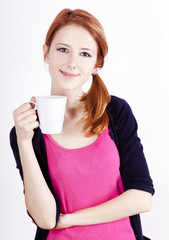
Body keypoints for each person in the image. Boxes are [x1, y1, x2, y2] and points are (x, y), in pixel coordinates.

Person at [9, 8, 154, 240]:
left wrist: (68, 219)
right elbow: (45, 219)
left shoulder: (115, 112)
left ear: (97, 63)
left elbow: (142, 197)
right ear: (46, 53)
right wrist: (24, 141)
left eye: (85, 54)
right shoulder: (28, 130)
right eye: (63, 49)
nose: (71, 63)